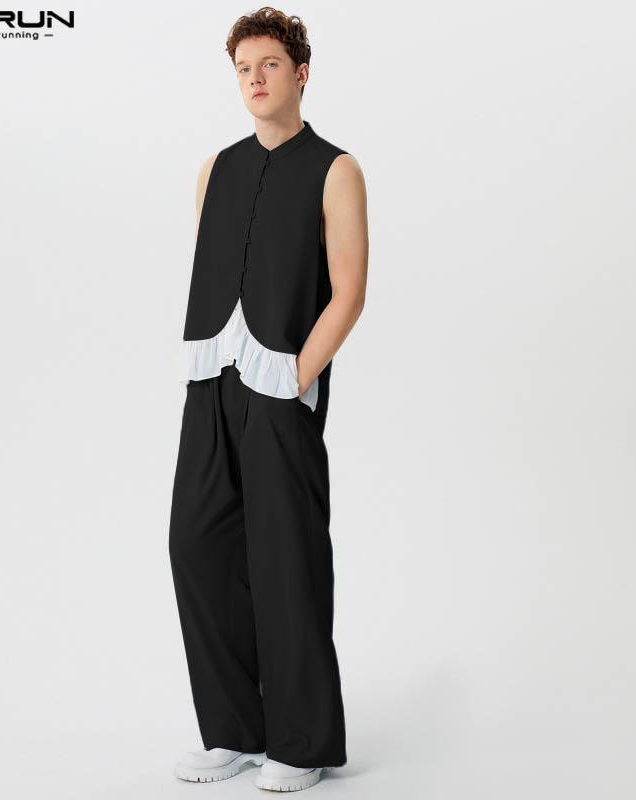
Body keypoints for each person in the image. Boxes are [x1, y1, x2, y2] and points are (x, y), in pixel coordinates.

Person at [168, 6, 368, 792]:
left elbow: (348, 291)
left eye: (270, 66)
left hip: (282, 384)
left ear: (301, 73)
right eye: (244, 69)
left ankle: (303, 742)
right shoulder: (214, 168)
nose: (254, 79)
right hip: (210, 380)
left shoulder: (336, 169)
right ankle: (235, 731)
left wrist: (298, 376)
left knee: (287, 560)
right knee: (197, 545)